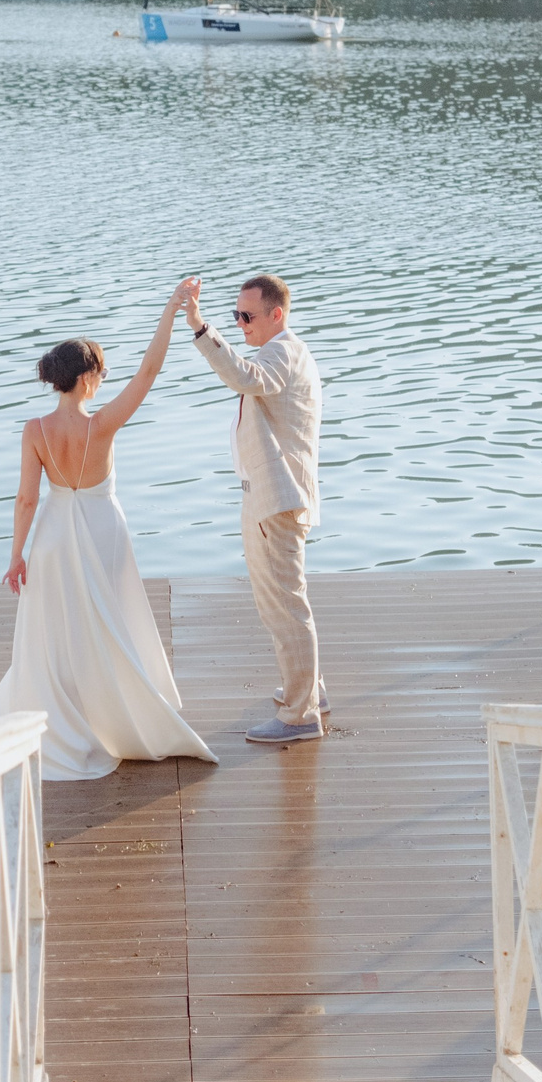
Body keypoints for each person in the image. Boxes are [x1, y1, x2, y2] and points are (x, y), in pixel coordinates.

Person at [0, 280, 216, 781]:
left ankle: (60, 718)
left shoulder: (34, 430)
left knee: (56, 634)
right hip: (101, 530)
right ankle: (114, 712)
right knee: (107, 626)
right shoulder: (104, 424)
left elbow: (26, 499)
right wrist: (173, 311)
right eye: (102, 371)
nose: (105, 379)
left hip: (49, 538)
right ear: (87, 378)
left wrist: (16, 555)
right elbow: (150, 371)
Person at [184, 273, 327, 745]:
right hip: (276, 493)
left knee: (283, 606)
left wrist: (203, 330)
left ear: (276, 315)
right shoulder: (288, 351)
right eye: (235, 316)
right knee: (286, 602)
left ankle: (300, 714)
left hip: (276, 498)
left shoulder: (281, 352)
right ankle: (310, 692)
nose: (241, 323)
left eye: (248, 316)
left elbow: (243, 376)